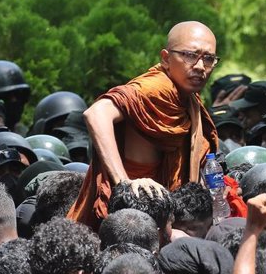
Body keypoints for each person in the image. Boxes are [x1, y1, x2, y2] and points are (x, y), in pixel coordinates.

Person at [69, 21, 220, 229]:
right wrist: (124, 183)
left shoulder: (189, 99)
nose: (201, 67)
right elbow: (96, 113)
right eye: (190, 55)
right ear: (166, 59)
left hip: (160, 212)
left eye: (209, 59)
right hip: (131, 215)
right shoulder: (156, 87)